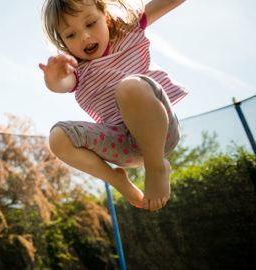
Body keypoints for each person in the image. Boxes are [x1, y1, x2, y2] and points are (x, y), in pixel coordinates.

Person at [39, 0, 188, 211]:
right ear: (63, 42)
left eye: (90, 23)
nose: (84, 37)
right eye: (71, 35)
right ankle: (118, 181)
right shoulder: (76, 70)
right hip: (122, 145)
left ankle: (157, 168)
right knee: (58, 137)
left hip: (161, 133)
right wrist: (53, 78)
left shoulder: (129, 30)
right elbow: (62, 84)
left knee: (128, 88)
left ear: (106, 18)